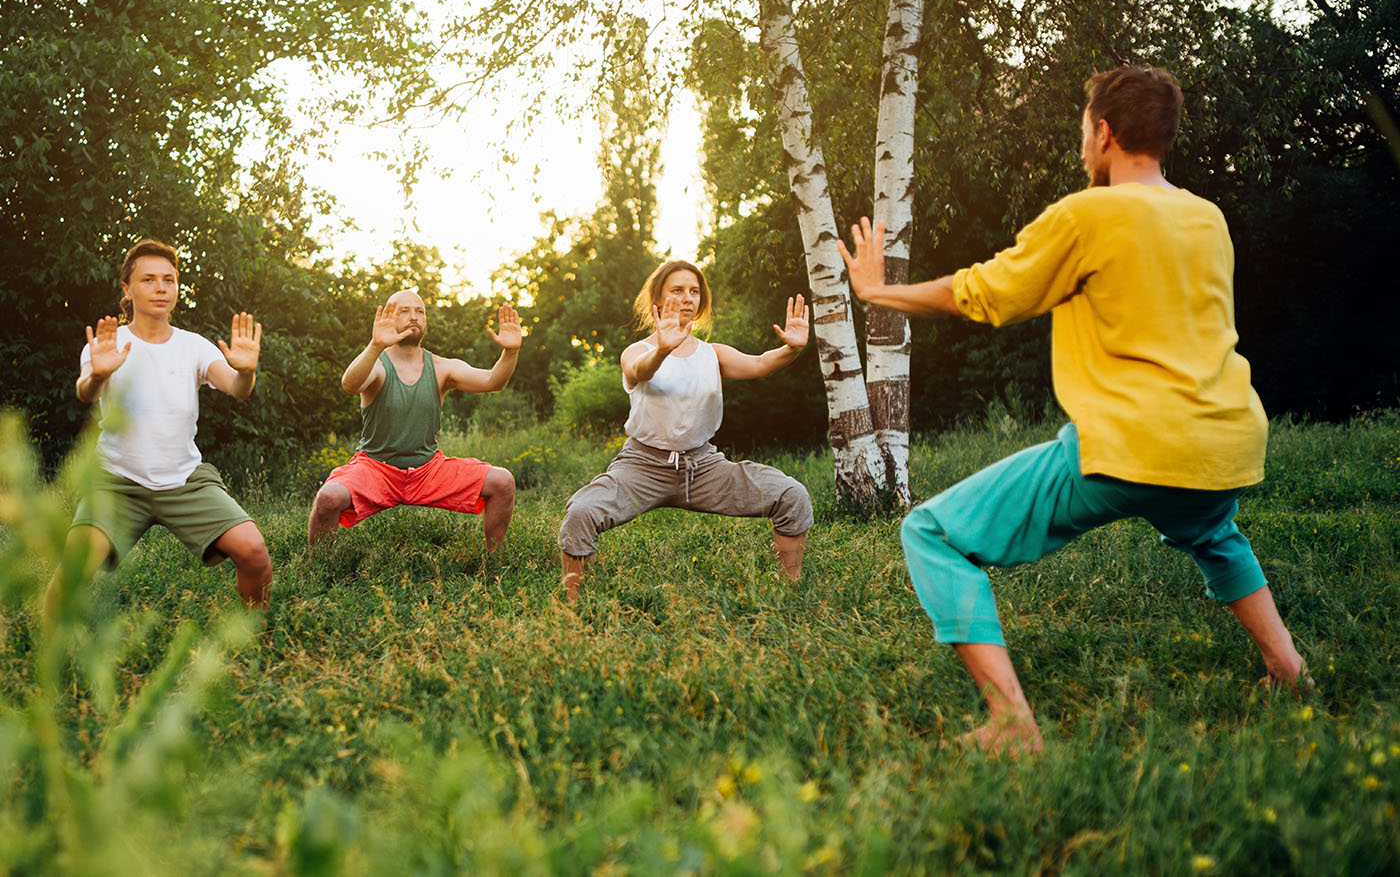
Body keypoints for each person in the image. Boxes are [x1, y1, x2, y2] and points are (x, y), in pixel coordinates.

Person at [838, 66, 1306, 756]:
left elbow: (984, 293)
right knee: (1212, 532)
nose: (1081, 144)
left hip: (1125, 445)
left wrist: (880, 292)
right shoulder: (1208, 218)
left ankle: (1010, 721)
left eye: (1083, 131)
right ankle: (1288, 668)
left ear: (1104, 132)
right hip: (1221, 443)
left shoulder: (1087, 214)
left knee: (933, 532)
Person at [558, 259, 814, 602]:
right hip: (642, 466)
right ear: (658, 299)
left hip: (703, 466)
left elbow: (762, 364)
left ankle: (792, 592)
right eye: (677, 290)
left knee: (791, 495)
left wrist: (792, 348)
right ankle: (571, 605)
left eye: (694, 291)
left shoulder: (712, 353)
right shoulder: (639, 351)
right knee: (581, 512)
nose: (688, 297)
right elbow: (640, 372)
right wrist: (663, 349)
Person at [48, 239, 272, 626]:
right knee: (73, 571)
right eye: (148, 279)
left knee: (253, 552)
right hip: (116, 483)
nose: (161, 288)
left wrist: (247, 371)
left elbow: (237, 388)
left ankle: (255, 638)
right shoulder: (107, 345)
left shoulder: (193, 347)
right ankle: (44, 661)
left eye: (169, 280)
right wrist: (99, 374)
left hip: (184, 480)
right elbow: (85, 390)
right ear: (127, 290)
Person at [307, 290, 520, 551]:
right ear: (389, 317)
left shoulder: (442, 367)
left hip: (428, 470)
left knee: (503, 482)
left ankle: (494, 560)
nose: (413, 317)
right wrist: (375, 346)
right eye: (404, 311)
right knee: (328, 497)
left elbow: (493, 381)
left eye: (420, 311)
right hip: (376, 468)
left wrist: (510, 352)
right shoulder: (378, 364)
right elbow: (350, 384)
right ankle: (320, 567)